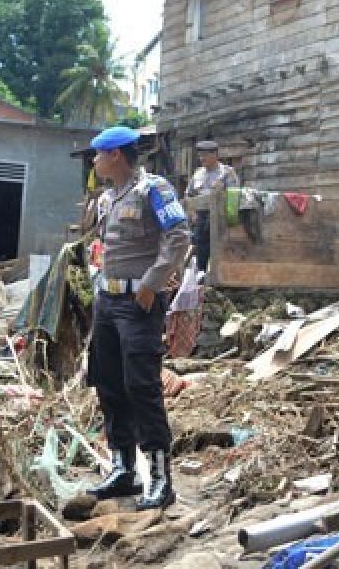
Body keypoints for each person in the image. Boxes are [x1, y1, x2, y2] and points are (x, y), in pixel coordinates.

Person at [85, 125, 190, 508]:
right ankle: (123, 469)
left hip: (139, 304)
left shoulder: (153, 189)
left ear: (115, 155)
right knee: (109, 383)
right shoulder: (107, 198)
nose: (94, 162)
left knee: (141, 386)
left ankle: (161, 478)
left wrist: (153, 282)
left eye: (98, 155)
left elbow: (179, 235)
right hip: (107, 304)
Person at [184, 140, 240, 273]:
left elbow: (234, 196)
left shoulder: (227, 172)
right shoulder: (197, 174)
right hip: (200, 218)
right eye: (200, 155)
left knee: (221, 250)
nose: (201, 158)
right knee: (201, 250)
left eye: (205, 155)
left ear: (215, 155)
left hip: (220, 218)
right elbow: (188, 195)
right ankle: (202, 279)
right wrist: (192, 213)